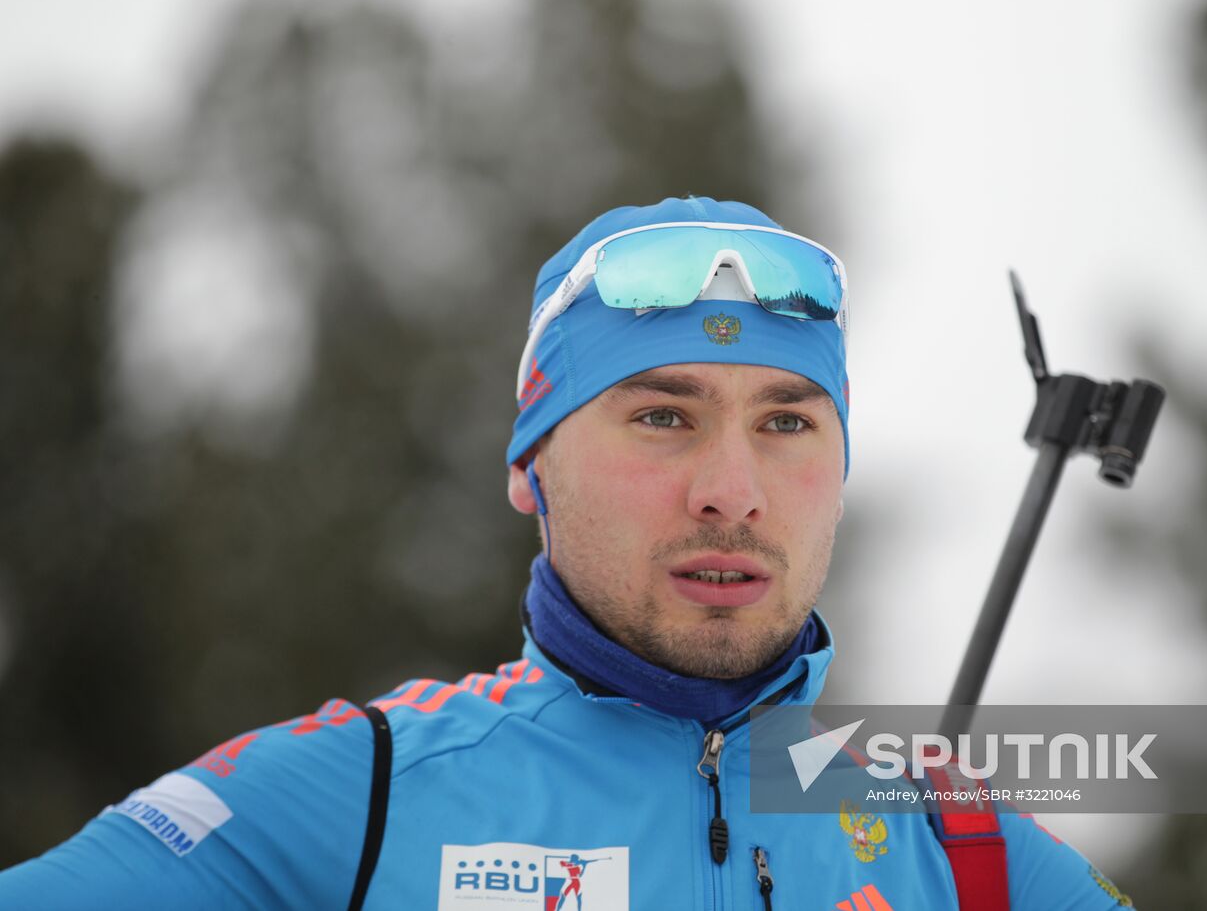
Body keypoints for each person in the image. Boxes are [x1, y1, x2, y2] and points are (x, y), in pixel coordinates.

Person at [0, 197, 1132, 909]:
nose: (731, 493)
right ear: (529, 467)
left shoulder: (959, 846)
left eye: (786, 423)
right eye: (660, 417)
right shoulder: (361, 796)